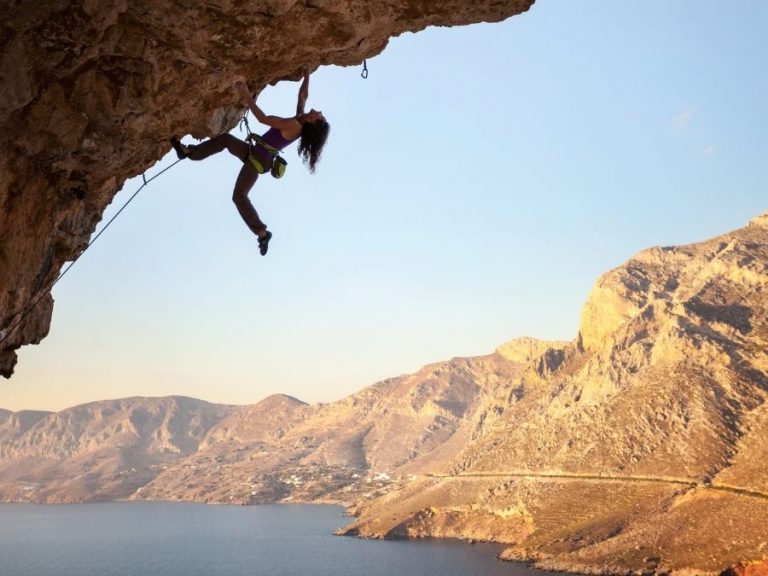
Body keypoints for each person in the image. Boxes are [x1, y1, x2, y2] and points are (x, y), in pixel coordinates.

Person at [170, 71, 330, 255]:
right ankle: (188, 152)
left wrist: (246, 94)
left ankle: (262, 232)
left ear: (313, 123)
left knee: (239, 196)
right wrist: (307, 72)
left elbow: (263, 119)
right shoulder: (300, 119)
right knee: (225, 140)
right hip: (256, 154)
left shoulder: (294, 126)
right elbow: (303, 96)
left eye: (321, 117)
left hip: (258, 160)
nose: (320, 112)